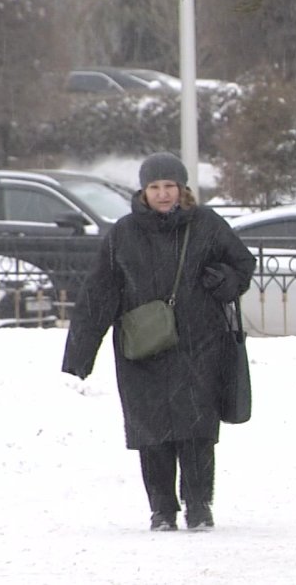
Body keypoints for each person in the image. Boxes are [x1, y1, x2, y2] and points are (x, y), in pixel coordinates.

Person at [61, 152, 256, 531]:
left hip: (200, 342)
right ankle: (162, 508)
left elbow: (243, 265)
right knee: (151, 432)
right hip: (141, 346)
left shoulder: (207, 225)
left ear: (183, 189)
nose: (163, 194)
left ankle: (199, 505)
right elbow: (98, 294)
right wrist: (80, 354)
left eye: (170, 186)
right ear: (143, 191)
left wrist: (226, 281)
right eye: (155, 187)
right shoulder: (124, 233)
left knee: (197, 428)